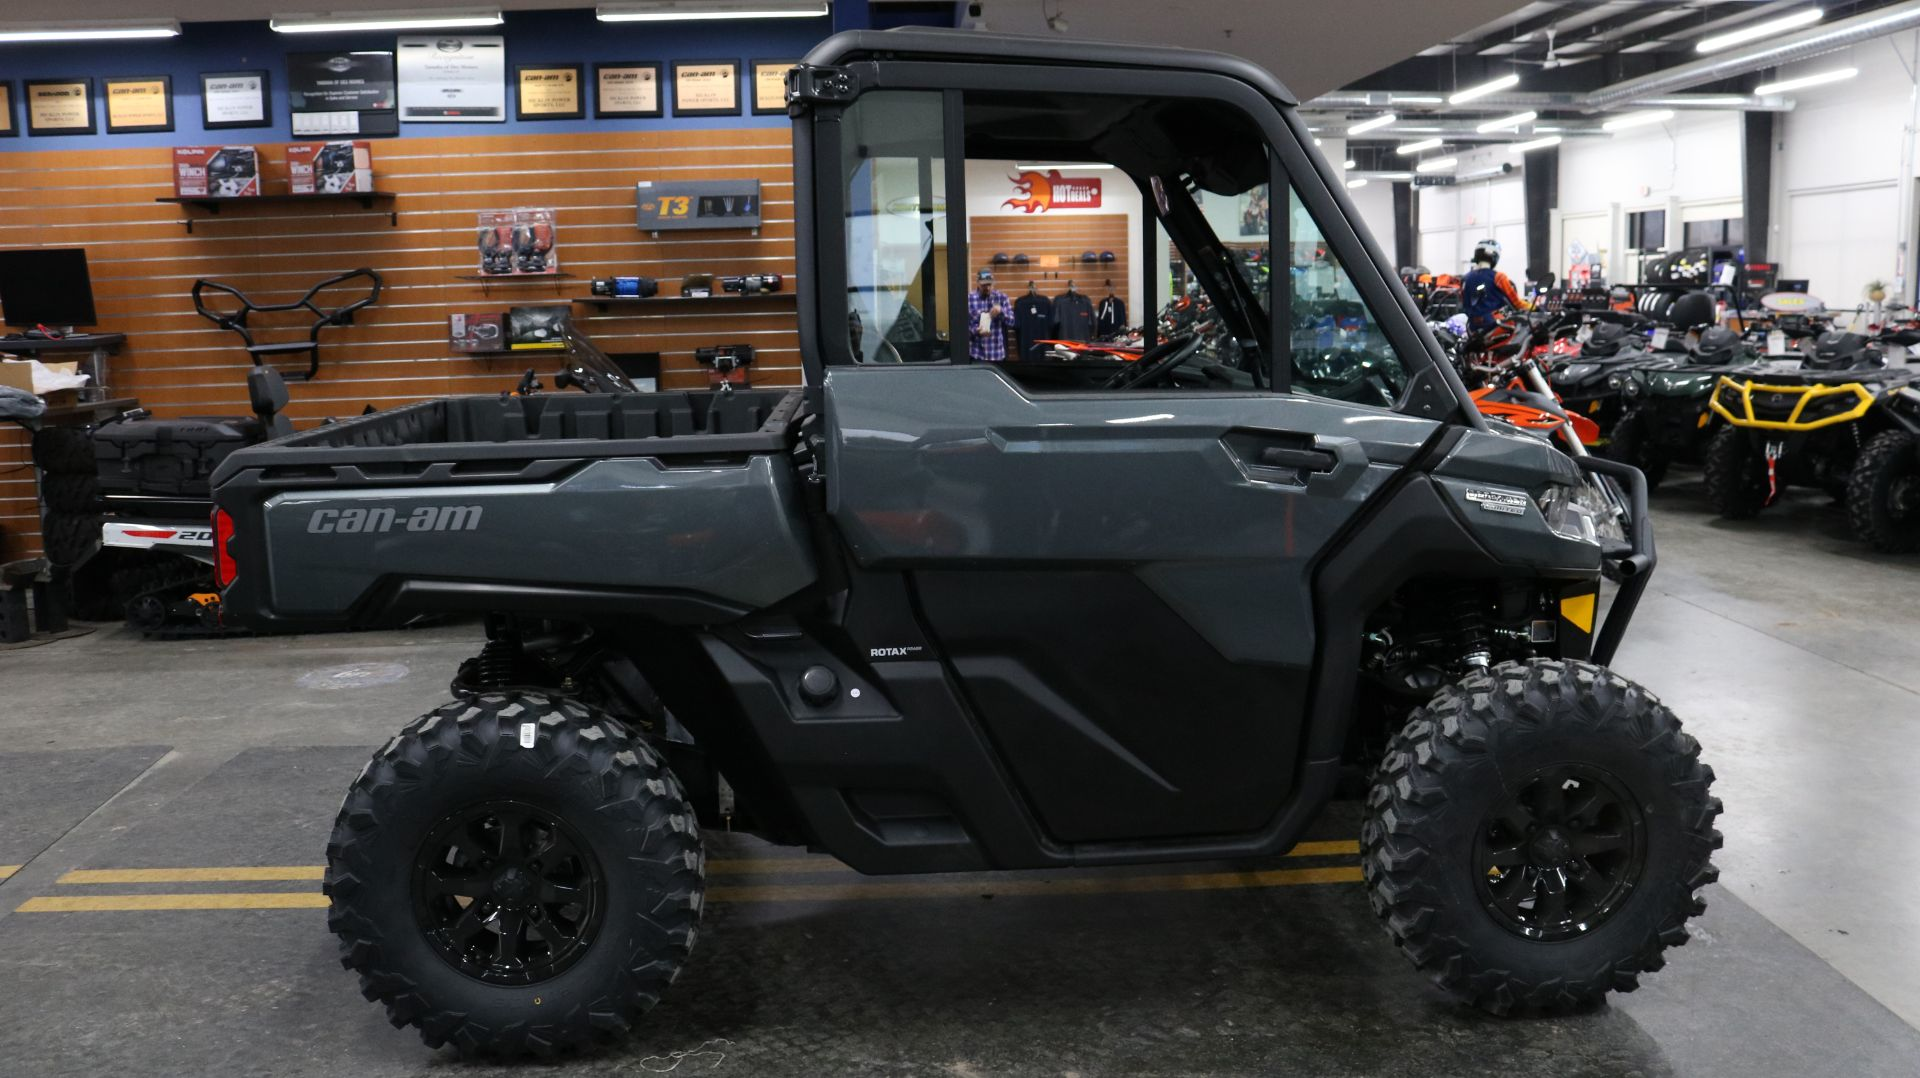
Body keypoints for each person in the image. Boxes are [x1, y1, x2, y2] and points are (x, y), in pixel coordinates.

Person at [1461, 239, 1531, 333]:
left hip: (1472, 328)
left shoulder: (1465, 278)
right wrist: (1533, 306)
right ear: (1495, 256)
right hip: (1496, 326)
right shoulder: (1499, 277)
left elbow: (1464, 304)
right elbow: (1517, 304)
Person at [967, 269, 1011, 362]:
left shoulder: (1002, 298)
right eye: (984, 285)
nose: (987, 288)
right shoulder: (969, 299)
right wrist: (975, 331)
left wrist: (1001, 312)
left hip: (996, 353)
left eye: (989, 284)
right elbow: (963, 325)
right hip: (976, 353)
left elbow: (1012, 321)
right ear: (978, 283)